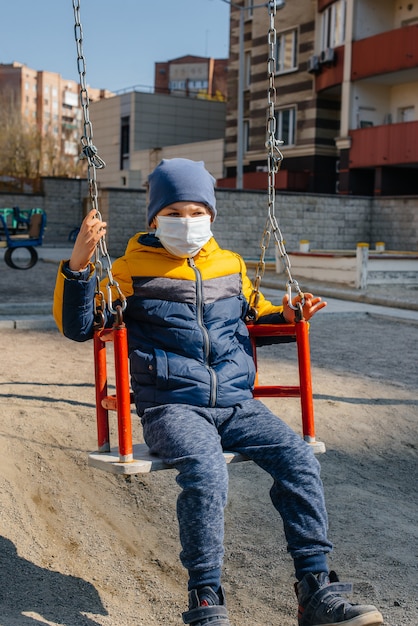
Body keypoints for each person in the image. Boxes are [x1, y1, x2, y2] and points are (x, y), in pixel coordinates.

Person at [54, 158, 383, 626]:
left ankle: (316, 592)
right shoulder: (129, 271)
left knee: (299, 459)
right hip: (173, 405)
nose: (187, 222)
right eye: (175, 212)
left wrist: (291, 313)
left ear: (211, 215)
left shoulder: (231, 266)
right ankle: (206, 600)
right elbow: (80, 326)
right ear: (154, 219)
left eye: (196, 211)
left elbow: (257, 313)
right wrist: (78, 265)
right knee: (207, 473)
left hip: (235, 403)